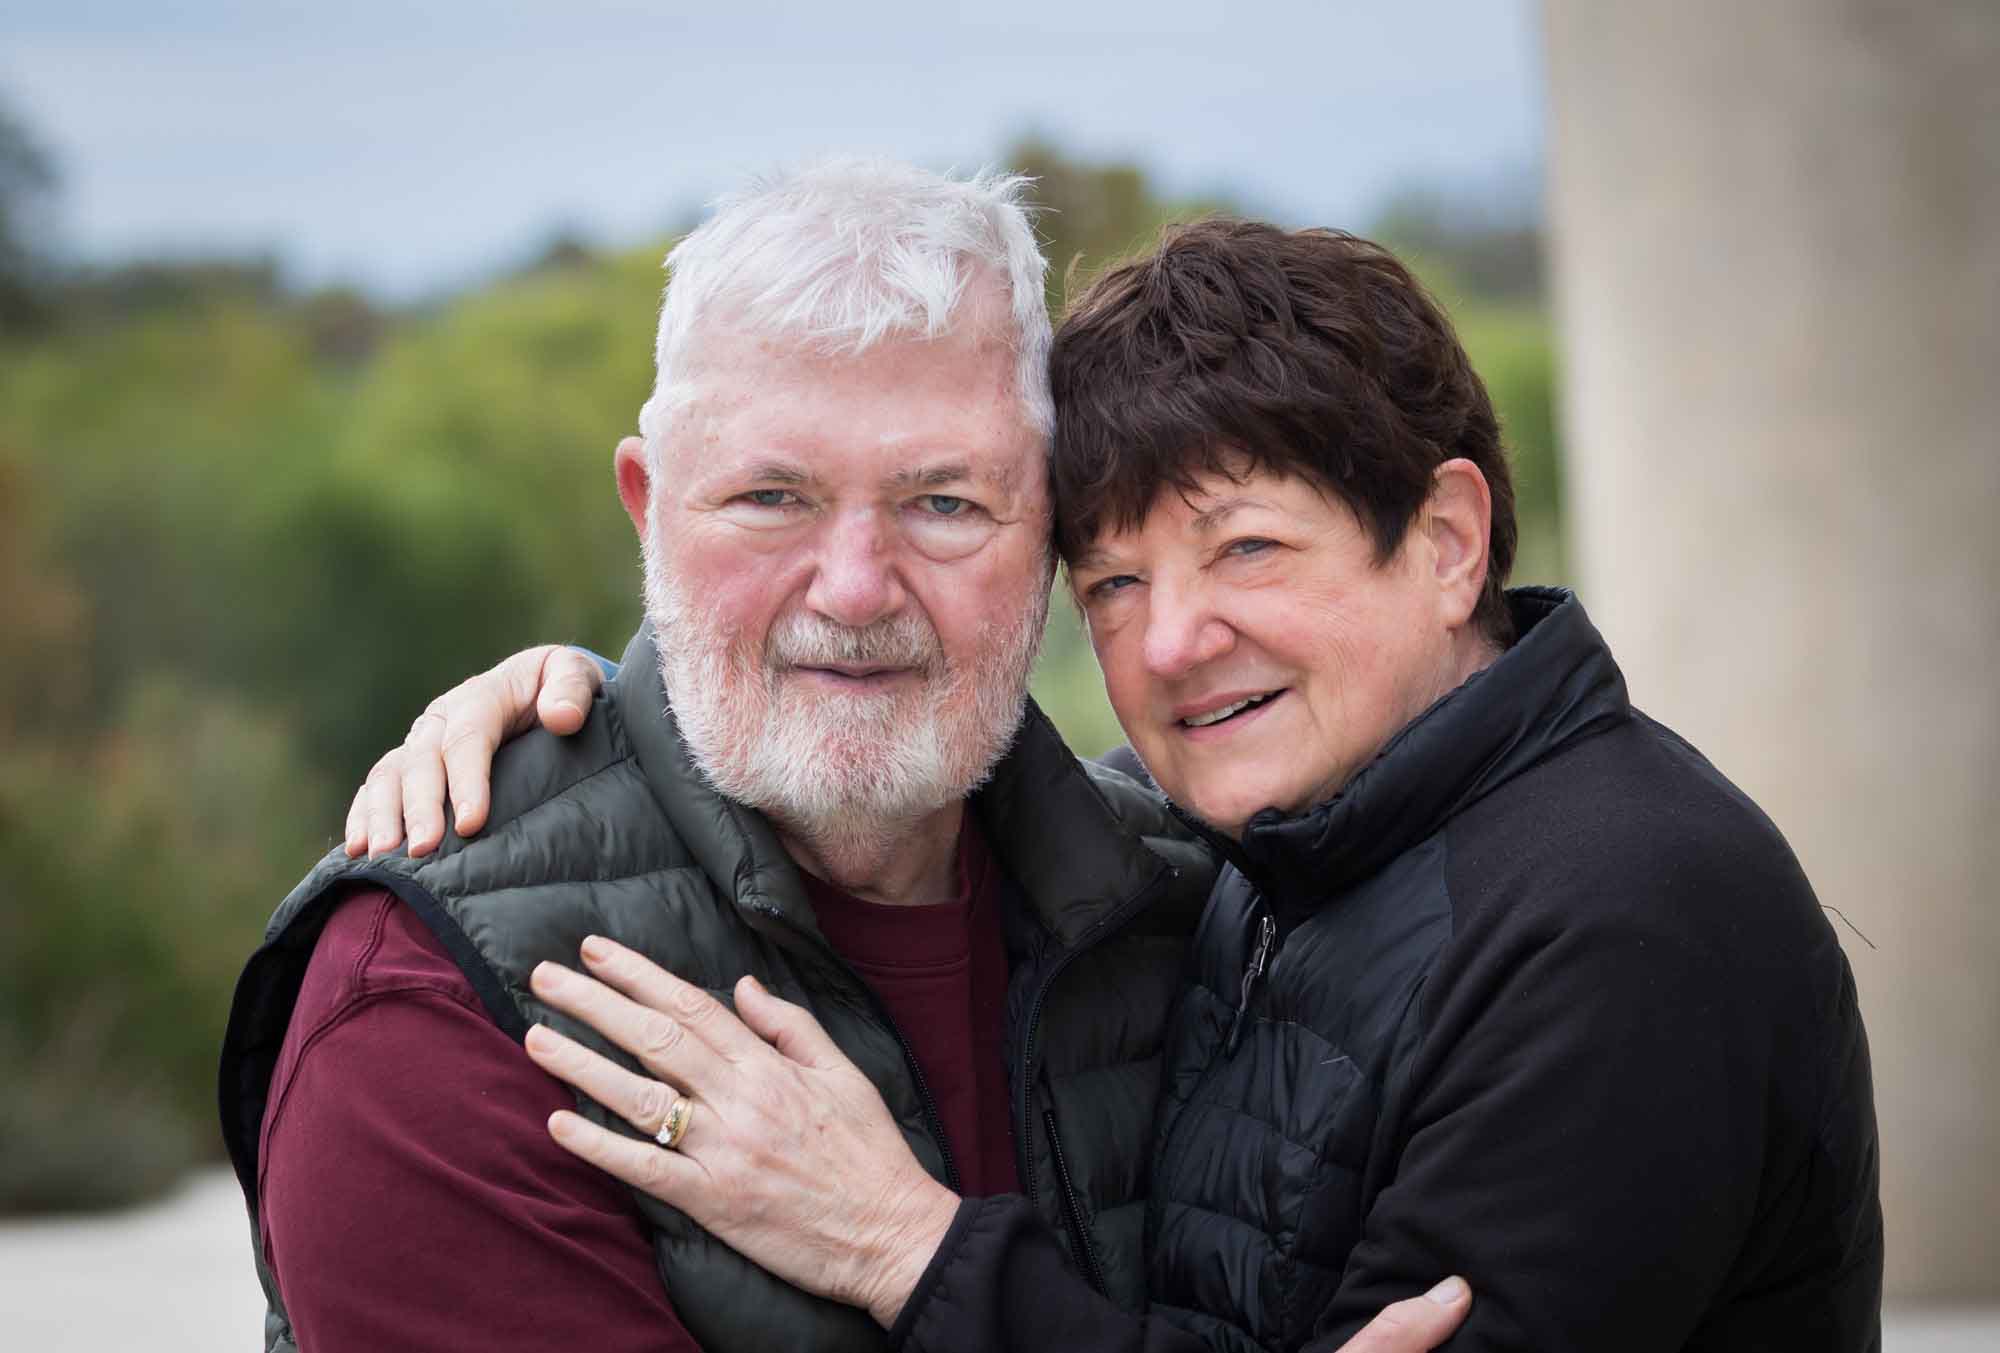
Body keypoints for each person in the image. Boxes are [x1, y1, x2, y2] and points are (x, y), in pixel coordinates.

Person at [376, 220, 1885, 1350]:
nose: (1171, 642)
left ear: (1446, 541)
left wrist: (907, 1244)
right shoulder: (1253, 854)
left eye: (1247, 549)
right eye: (1111, 580)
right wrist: (593, 712)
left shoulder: (1618, 917)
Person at [218, 164, 1469, 1353]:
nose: (857, 590)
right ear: (650, 510)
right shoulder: (432, 1005)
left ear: (1048, 536)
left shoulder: (1195, 909)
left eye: (943, 504)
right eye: (771, 499)